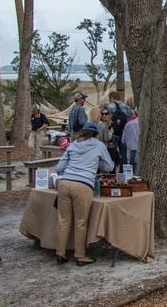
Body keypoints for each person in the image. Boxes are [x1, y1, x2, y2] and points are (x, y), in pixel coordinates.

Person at [54, 122, 114, 265]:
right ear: (95, 134)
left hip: (65, 182)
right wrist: (96, 164)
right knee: (81, 222)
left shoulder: (73, 145)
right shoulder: (99, 145)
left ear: (82, 132)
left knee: (63, 220)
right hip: (83, 185)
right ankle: (80, 256)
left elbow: (60, 167)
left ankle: (60, 253)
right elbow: (109, 166)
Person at [107, 92, 132, 168]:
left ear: (112, 98)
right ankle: (123, 172)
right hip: (124, 133)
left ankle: (112, 171)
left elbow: (107, 117)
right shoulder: (127, 107)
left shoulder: (110, 106)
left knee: (112, 152)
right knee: (123, 153)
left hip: (114, 132)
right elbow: (130, 116)